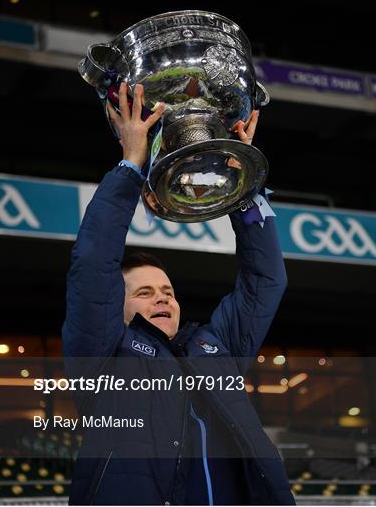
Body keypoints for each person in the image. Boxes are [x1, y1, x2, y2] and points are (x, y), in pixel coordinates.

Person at [62, 82, 294, 505]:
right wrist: (132, 164)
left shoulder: (215, 347)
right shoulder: (103, 356)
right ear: (118, 307)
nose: (163, 299)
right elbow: (93, 266)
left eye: (167, 290)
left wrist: (243, 187)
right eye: (145, 292)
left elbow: (265, 282)